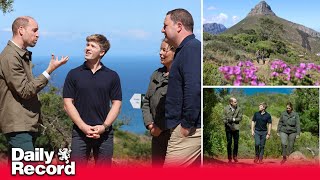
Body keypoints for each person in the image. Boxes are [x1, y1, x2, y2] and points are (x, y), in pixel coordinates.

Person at [0, 16, 69, 158]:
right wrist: (48, 71)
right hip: (18, 126)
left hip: (24, 124)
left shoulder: (19, 55)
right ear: (21, 30)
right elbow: (25, 91)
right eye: (34, 30)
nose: (38, 34)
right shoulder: (11, 56)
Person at [63, 34, 122, 167]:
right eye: (87, 45)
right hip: (79, 133)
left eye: (92, 46)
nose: (87, 48)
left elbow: (117, 104)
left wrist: (104, 126)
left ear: (102, 52)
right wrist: (83, 127)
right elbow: (67, 103)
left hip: (104, 134)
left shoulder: (112, 76)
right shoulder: (74, 74)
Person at [161, 8, 201, 167]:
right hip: (186, 128)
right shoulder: (184, 50)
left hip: (188, 131)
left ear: (178, 26)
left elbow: (194, 88)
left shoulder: (191, 49)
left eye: (165, 25)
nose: (162, 29)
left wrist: (186, 126)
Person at [142, 38, 175, 167]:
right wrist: (150, 125)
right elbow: (146, 102)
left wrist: (160, 126)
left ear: (175, 52)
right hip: (156, 135)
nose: (160, 53)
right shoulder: (156, 74)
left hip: (172, 135)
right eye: (160, 50)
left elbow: (176, 107)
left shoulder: (179, 77)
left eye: (164, 50)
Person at [222, 97, 243, 163]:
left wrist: (233, 119)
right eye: (235, 102)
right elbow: (223, 119)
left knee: (236, 143)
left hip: (236, 128)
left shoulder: (239, 109)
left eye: (236, 102)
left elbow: (240, 118)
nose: (236, 103)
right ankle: (229, 158)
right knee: (229, 143)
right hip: (228, 128)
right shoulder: (225, 109)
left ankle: (235, 156)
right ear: (231, 102)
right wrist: (227, 122)